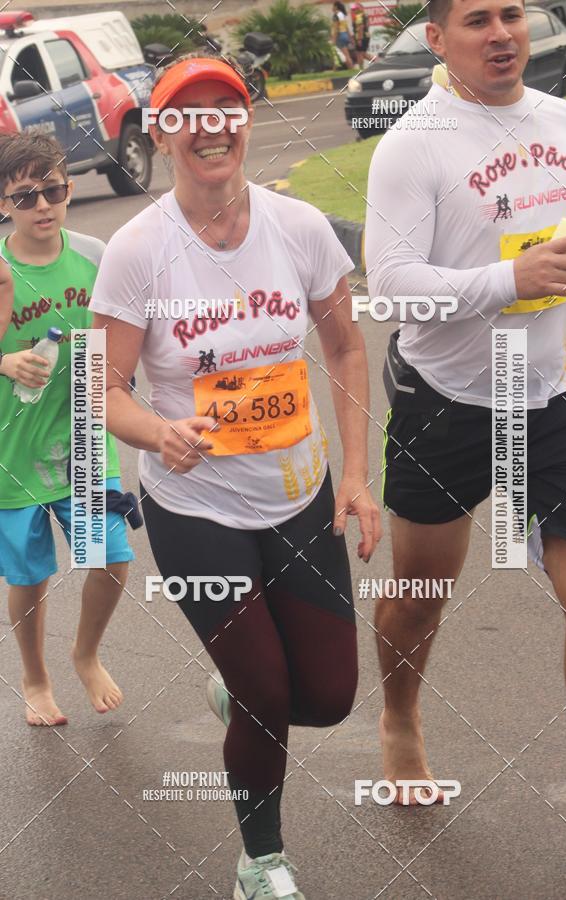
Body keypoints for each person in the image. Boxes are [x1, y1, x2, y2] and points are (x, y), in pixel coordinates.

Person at [90, 55, 381, 898]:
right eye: (190, 113)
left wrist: (357, 477)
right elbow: (102, 390)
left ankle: (239, 687)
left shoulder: (299, 229)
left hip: (298, 494)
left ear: (247, 121)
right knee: (266, 694)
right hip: (196, 506)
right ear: (162, 132)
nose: (211, 124)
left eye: (227, 108)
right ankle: (262, 860)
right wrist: (159, 429)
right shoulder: (138, 250)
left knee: (325, 696)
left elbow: (346, 349)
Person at [366, 0, 566, 846]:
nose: (501, 33)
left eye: (512, 14)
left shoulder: (563, 117)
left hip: (562, 393)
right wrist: (511, 281)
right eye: (476, 20)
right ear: (437, 39)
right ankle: (399, 715)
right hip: (451, 401)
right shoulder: (413, 144)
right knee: (422, 595)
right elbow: (389, 287)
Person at [0, 132, 134, 726]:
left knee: (109, 555)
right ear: (4, 202)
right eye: (25, 196)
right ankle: (34, 676)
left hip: (81, 430)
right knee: (30, 577)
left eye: (52, 190)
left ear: (69, 188)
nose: (42, 206)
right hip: (14, 445)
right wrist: (3, 361)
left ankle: (86, 654)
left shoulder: (95, 255)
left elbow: (127, 328)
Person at [332, 1, 355, 70]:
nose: (332, 8)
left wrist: (334, 39)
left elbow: (336, 28)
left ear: (336, 7)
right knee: (344, 54)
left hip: (339, 35)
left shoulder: (336, 15)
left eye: (333, 6)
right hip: (345, 35)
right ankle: (334, 70)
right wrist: (350, 37)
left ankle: (351, 68)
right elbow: (347, 27)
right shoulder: (343, 15)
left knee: (345, 55)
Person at [351, 2, 370, 68]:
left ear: (360, 8)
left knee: (362, 54)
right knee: (359, 53)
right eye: (353, 9)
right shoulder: (364, 15)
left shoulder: (359, 16)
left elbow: (361, 27)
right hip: (363, 36)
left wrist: (359, 39)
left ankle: (378, 62)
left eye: (355, 9)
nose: (354, 11)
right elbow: (366, 26)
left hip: (362, 37)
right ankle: (361, 68)